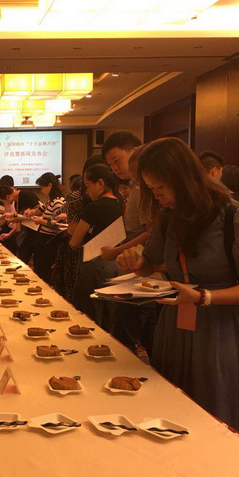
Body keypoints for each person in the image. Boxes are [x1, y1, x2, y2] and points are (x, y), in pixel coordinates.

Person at [117, 137, 239, 460]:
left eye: (161, 186)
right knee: (171, 418)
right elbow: (151, 263)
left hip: (222, 330)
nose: (156, 195)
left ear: (184, 178)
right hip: (175, 327)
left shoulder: (236, 217)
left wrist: (204, 296)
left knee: (219, 417)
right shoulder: (169, 215)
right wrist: (135, 261)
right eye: (151, 188)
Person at [99, 135, 158, 357]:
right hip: (138, 266)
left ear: (134, 152)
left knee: (125, 335)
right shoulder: (135, 187)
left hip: (142, 268)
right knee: (147, 332)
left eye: (117, 160)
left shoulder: (144, 188)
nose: (115, 168)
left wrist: (116, 250)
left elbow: (150, 232)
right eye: (111, 164)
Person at [70, 164, 124, 328]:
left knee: (88, 315)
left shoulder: (94, 207)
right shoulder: (121, 203)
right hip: (115, 265)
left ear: (100, 183)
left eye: (87, 186)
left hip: (94, 265)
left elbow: (74, 241)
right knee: (109, 314)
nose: (87, 192)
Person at [52, 172, 90, 301]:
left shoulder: (74, 198)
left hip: (74, 245)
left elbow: (72, 230)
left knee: (71, 281)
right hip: (87, 249)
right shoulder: (116, 199)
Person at [23, 173, 66, 281]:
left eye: (42, 187)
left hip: (50, 242)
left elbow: (58, 224)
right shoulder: (51, 201)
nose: (41, 190)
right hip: (43, 240)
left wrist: (40, 221)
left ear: (50, 185)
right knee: (39, 269)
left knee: (43, 271)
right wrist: (30, 212)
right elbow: (38, 210)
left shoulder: (58, 202)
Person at [0, 185, 41, 264]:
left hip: (38, 233)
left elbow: (39, 213)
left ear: (8, 197)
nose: (5, 204)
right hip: (28, 233)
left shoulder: (28, 196)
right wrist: (10, 233)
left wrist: (14, 216)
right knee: (21, 259)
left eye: (3, 202)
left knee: (36, 262)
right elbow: (21, 220)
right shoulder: (15, 202)